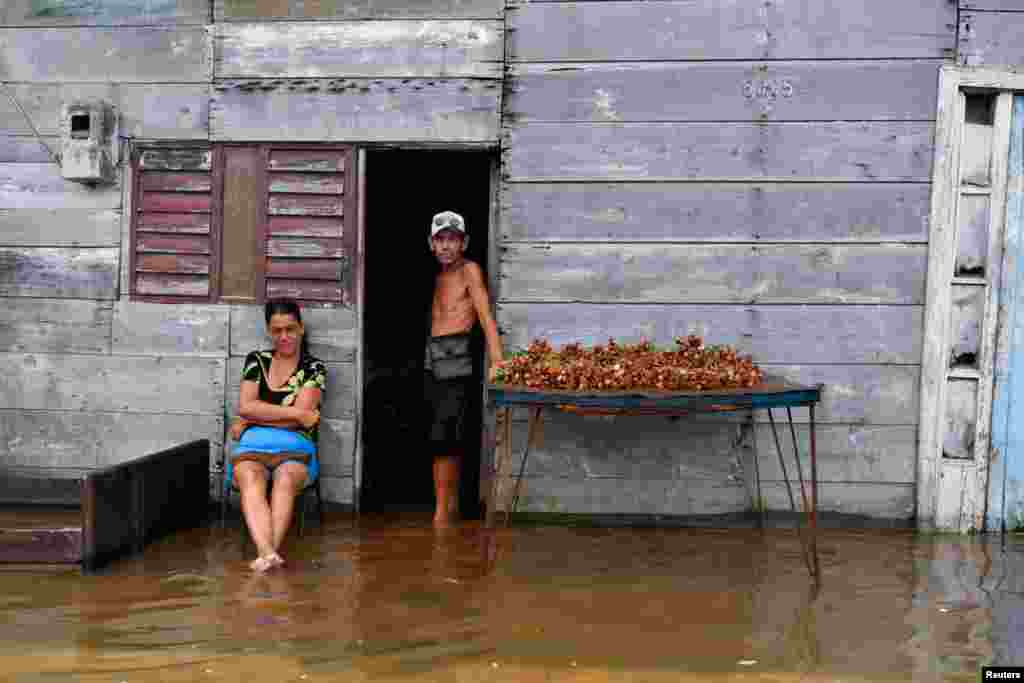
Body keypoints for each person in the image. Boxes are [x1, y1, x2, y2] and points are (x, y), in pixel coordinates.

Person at [228, 299, 326, 572]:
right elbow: (246, 406)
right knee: (250, 476)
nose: (284, 337)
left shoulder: (314, 368)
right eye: (277, 330)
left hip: (295, 448)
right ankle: (268, 555)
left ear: (301, 329)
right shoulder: (256, 361)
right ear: (269, 331)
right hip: (252, 448)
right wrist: (294, 415)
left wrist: (250, 420)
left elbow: (299, 415)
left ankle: (265, 555)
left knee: (285, 479)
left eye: (290, 329)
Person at [424, 210, 503, 526]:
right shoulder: (434, 276)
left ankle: (442, 513)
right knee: (439, 435)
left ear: (464, 242)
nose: (446, 247)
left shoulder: (470, 271)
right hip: (432, 360)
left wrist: (497, 360)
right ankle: (447, 506)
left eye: (453, 240)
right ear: (431, 244)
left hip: (456, 358)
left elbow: (484, 314)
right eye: (440, 240)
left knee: (447, 435)